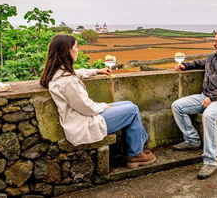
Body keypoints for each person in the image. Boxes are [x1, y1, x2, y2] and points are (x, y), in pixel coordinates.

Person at [40, 34, 156, 169]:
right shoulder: (67, 81)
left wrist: (97, 71)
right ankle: (135, 154)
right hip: (84, 123)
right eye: (76, 47)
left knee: (128, 104)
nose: (78, 50)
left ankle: (137, 149)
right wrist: (104, 106)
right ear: (67, 51)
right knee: (133, 109)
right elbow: (86, 107)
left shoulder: (59, 73)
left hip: (82, 118)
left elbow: (79, 73)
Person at [171, 30, 217, 179]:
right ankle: (192, 141)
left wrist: (212, 98)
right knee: (177, 106)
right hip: (206, 96)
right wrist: (185, 66)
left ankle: (211, 161)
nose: (214, 43)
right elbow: (200, 63)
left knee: (208, 116)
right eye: (215, 40)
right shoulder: (213, 57)